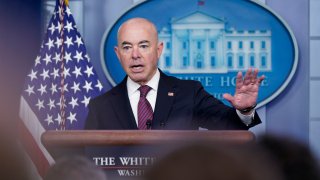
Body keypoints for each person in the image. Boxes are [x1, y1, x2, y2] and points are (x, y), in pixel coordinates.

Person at [85, 17, 265, 130]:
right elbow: (84, 160)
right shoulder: (101, 106)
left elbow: (230, 126)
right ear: (118, 54)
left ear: (159, 50)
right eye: (127, 47)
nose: (135, 55)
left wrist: (245, 110)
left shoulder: (189, 93)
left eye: (144, 46)